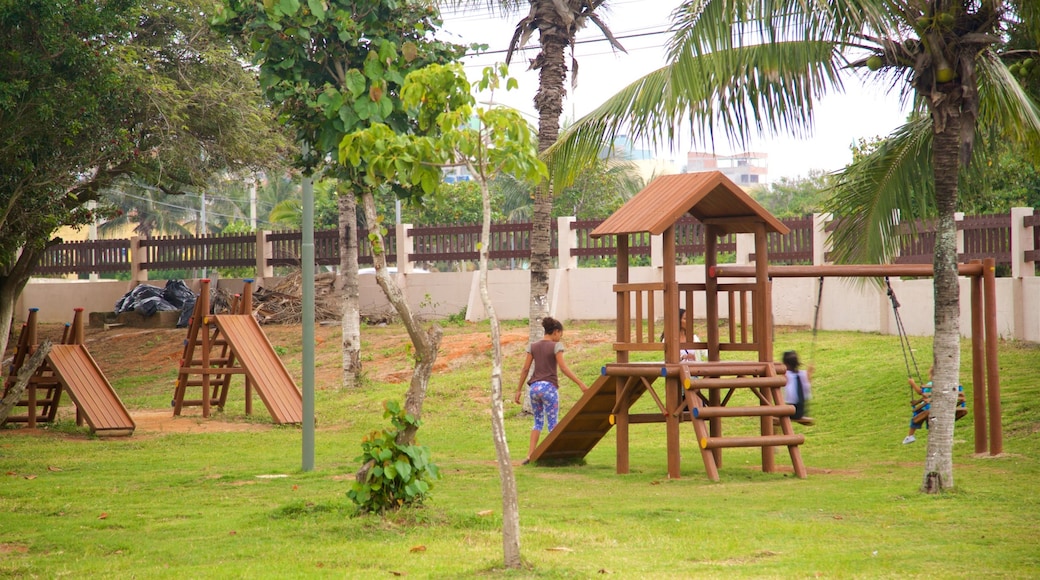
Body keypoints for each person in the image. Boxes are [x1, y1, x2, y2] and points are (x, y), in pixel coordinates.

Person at [514, 317, 588, 464]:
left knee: (537, 422)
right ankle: (553, 455)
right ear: (555, 332)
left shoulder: (533, 346)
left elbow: (525, 369)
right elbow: (564, 368)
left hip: (534, 389)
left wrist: (518, 390)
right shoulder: (556, 346)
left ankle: (530, 455)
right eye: (560, 334)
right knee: (553, 423)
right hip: (549, 388)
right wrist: (580, 383)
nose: (560, 337)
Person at [782, 350, 814, 425]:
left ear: (785, 364)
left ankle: (775, 434)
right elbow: (807, 387)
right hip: (801, 410)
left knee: (771, 415)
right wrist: (810, 371)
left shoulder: (786, 375)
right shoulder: (803, 374)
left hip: (791, 409)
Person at [904, 367, 933, 444]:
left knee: (915, 419)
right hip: (936, 407)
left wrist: (912, 383)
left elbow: (920, 392)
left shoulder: (931, 384)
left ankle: (910, 436)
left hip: (926, 407)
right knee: (930, 422)